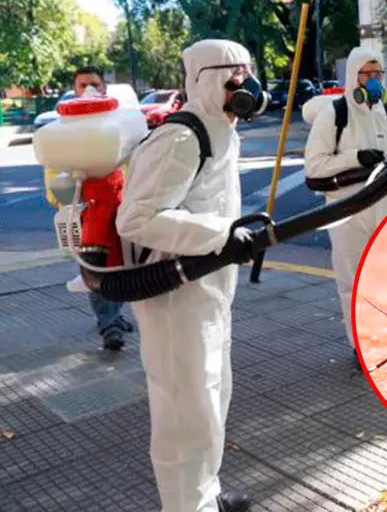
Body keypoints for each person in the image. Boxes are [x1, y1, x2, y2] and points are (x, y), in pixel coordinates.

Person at [115, 39, 258, 512]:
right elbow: (135, 220)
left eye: (247, 72)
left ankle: (205, 495)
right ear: (203, 79)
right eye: (231, 75)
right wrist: (222, 235)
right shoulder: (181, 137)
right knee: (184, 413)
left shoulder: (223, 130)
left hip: (209, 292)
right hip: (174, 298)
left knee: (213, 400)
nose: (244, 85)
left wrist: (228, 237)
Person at [304, 46, 387, 370]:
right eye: (368, 74)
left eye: (379, 73)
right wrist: (356, 157)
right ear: (354, 76)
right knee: (353, 279)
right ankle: (360, 345)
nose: (375, 80)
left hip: (384, 206)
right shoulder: (334, 115)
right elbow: (314, 168)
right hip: (347, 211)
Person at [46, 66, 136, 351]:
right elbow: (53, 164)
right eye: (82, 85)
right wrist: (58, 197)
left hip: (120, 202)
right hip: (85, 204)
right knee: (94, 264)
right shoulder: (65, 124)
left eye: (94, 84)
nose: (89, 90)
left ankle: (115, 314)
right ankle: (108, 323)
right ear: (74, 89)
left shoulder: (116, 120)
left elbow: (132, 157)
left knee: (120, 263)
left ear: (104, 87)